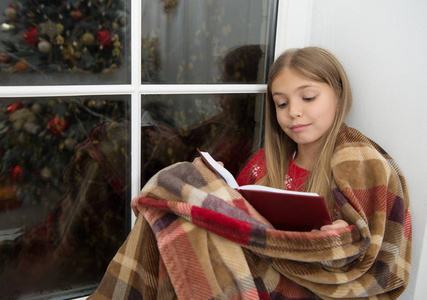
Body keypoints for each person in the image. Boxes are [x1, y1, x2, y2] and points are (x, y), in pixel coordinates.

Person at [91, 47, 411, 299]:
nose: (294, 112)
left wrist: (335, 240)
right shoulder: (264, 163)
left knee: (179, 190)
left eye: (308, 97)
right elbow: (234, 221)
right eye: (281, 103)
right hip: (254, 270)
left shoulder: (360, 164)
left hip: (308, 286)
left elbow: (370, 253)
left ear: (339, 95)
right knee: (178, 197)